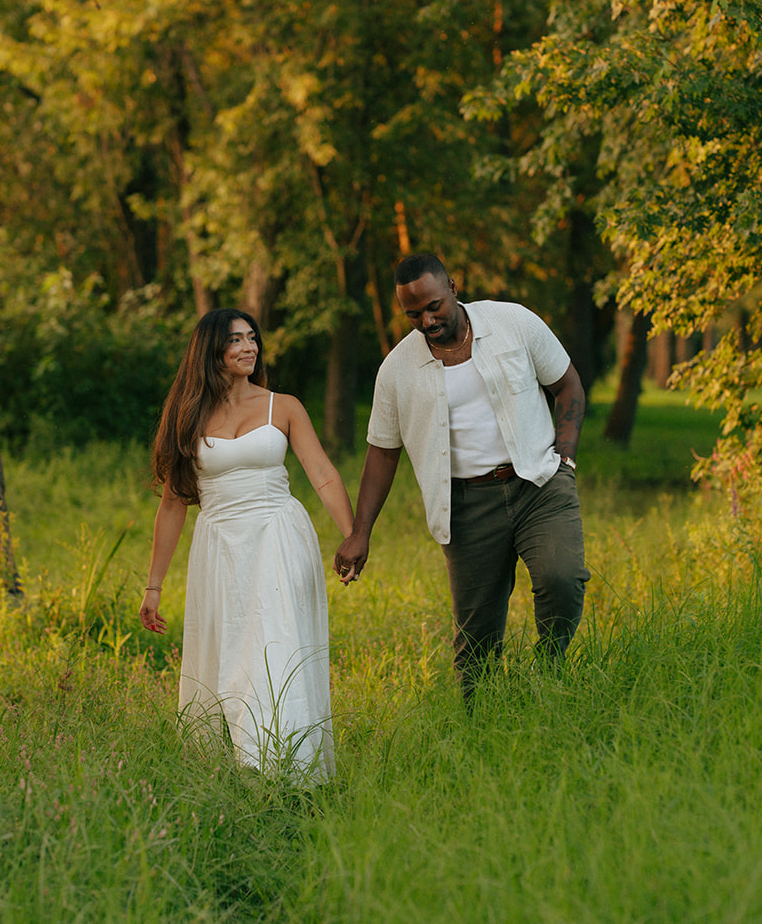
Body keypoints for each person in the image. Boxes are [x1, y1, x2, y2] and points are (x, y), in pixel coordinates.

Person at [334, 254, 589, 697]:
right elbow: (382, 451)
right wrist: (361, 532)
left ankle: (550, 677)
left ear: (452, 286)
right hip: (467, 507)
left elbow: (566, 385)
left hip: (538, 486)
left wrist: (564, 459)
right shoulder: (396, 370)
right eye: (413, 314)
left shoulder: (512, 322)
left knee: (562, 578)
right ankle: (481, 726)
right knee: (476, 643)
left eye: (434, 306)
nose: (427, 320)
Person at [141, 308, 355, 780]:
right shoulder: (189, 415)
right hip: (218, 546)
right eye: (235, 339)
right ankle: (236, 767)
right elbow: (174, 504)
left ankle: (288, 772)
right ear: (210, 350)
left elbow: (321, 475)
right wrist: (153, 586)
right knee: (229, 652)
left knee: (276, 645)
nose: (249, 347)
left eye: (252, 338)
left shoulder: (285, 406)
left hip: (277, 533)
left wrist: (352, 535)